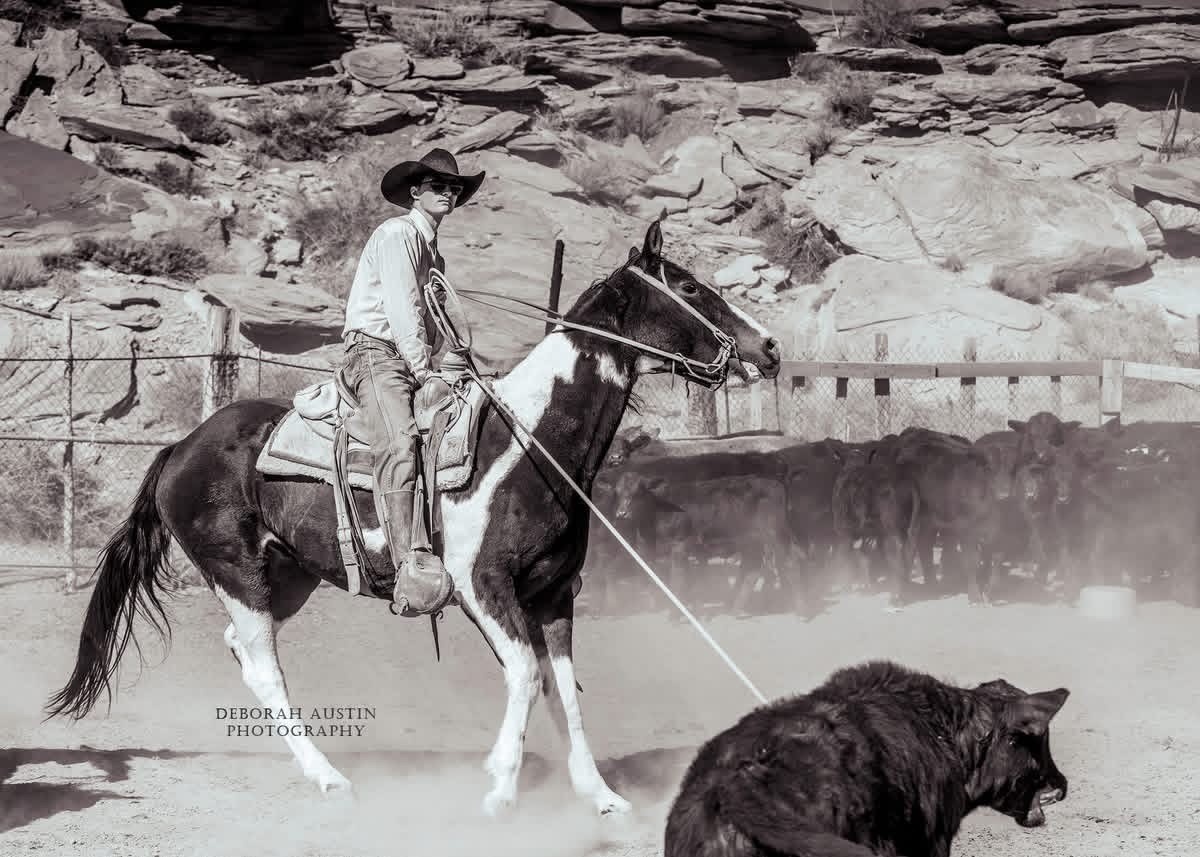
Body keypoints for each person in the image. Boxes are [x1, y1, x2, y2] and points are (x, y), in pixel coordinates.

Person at [340, 147, 486, 616]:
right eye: (438, 186)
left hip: (403, 356)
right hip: (375, 356)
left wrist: (452, 364)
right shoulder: (398, 234)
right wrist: (425, 372)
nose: (449, 193)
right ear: (415, 192)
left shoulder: (431, 251)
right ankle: (410, 563)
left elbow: (435, 317)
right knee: (401, 442)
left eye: (455, 188)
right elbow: (404, 309)